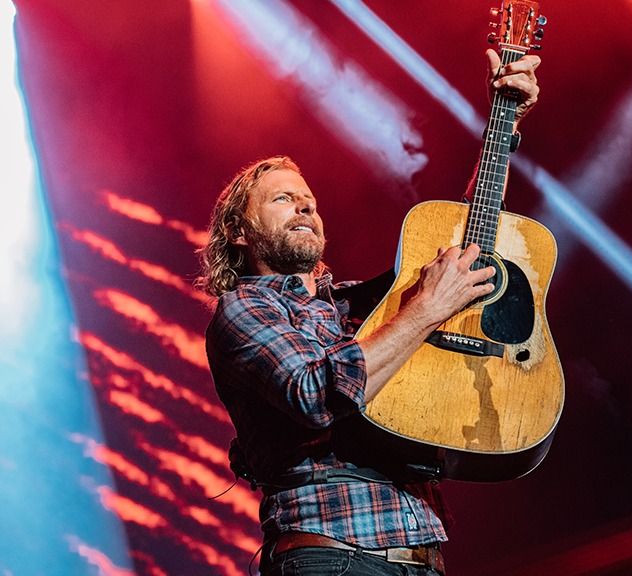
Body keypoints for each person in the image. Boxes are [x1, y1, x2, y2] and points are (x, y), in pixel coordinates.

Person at [200, 49, 541, 576]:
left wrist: (505, 120)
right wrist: (427, 308)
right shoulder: (243, 308)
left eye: (309, 200)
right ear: (238, 233)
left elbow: (464, 246)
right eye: (283, 200)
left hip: (423, 557)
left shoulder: (359, 306)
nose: (306, 206)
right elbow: (314, 395)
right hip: (330, 554)